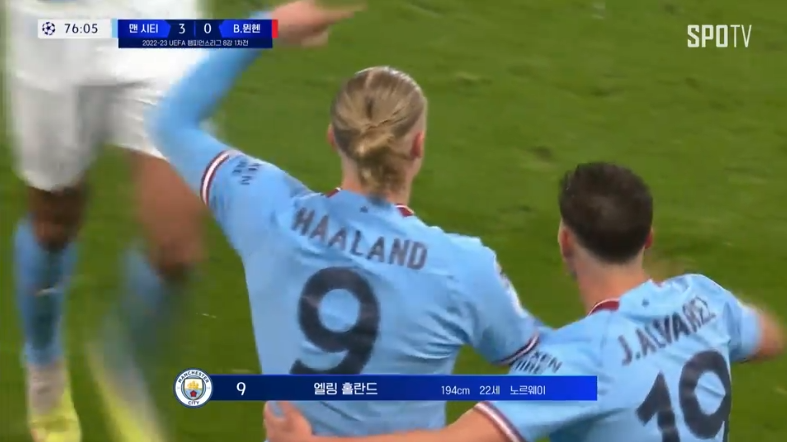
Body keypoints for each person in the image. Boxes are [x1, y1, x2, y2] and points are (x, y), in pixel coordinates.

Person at [141, 0, 543, 437]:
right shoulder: (463, 269)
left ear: (333, 139)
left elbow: (172, 121)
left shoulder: (265, 208)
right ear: (418, 146)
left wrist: (265, 27)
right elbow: (551, 369)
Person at [264, 162, 785, 442]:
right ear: (648, 239)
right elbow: (769, 338)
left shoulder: (574, 362)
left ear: (565, 242)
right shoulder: (704, 301)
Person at [5, 0, 210, 440]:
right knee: (54, 220)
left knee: (176, 246)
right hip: (53, 28)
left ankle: (124, 370)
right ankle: (43, 369)